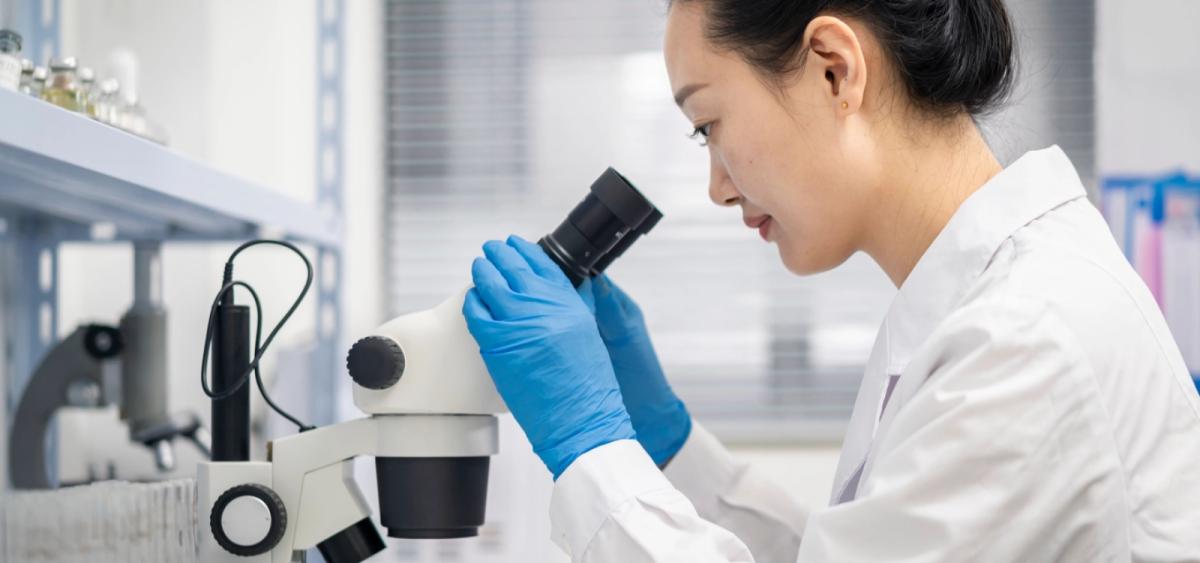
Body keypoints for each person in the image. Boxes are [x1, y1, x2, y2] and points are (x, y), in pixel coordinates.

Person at [461, 0, 1200, 561]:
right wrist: (672, 451)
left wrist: (592, 450)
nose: (717, 185)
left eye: (708, 124)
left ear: (832, 68)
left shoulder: (1028, 342)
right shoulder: (987, 306)